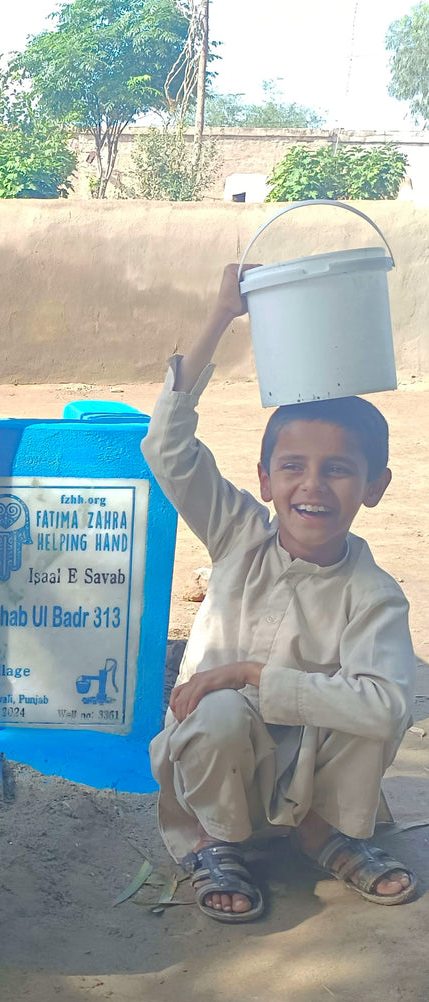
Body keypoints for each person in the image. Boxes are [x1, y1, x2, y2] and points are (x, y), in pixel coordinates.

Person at [142, 264, 418, 923]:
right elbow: (166, 444)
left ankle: (324, 833)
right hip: (224, 749)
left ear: (375, 486)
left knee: (375, 707)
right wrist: (219, 316)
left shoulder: (374, 593)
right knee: (217, 712)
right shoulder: (237, 532)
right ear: (264, 480)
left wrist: (251, 673)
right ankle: (214, 842)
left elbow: (384, 710)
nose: (313, 488)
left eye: (338, 470)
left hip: (313, 767)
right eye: (293, 467)